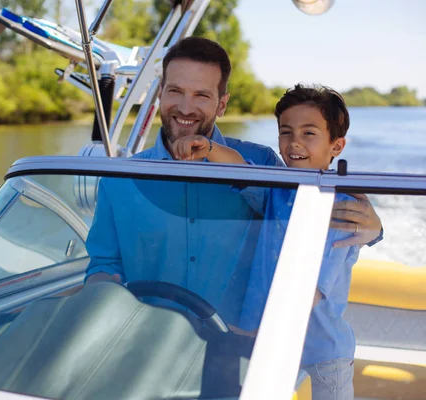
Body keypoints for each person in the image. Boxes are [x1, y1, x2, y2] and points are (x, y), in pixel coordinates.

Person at [84, 37, 382, 324]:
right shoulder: (118, 179)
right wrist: (101, 288)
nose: (186, 108)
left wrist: (374, 228)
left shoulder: (263, 164)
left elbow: (305, 212)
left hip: (240, 348)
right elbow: (103, 265)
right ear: (160, 93)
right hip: (150, 347)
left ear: (222, 104)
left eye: (201, 95)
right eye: (175, 91)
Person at [173, 84, 359, 399]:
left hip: (321, 345)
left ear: (336, 146)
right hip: (263, 337)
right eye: (286, 133)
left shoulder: (342, 207)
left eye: (309, 133)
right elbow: (240, 168)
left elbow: (312, 289)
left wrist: (265, 332)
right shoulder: (276, 187)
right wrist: (207, 147)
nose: (294, 143)